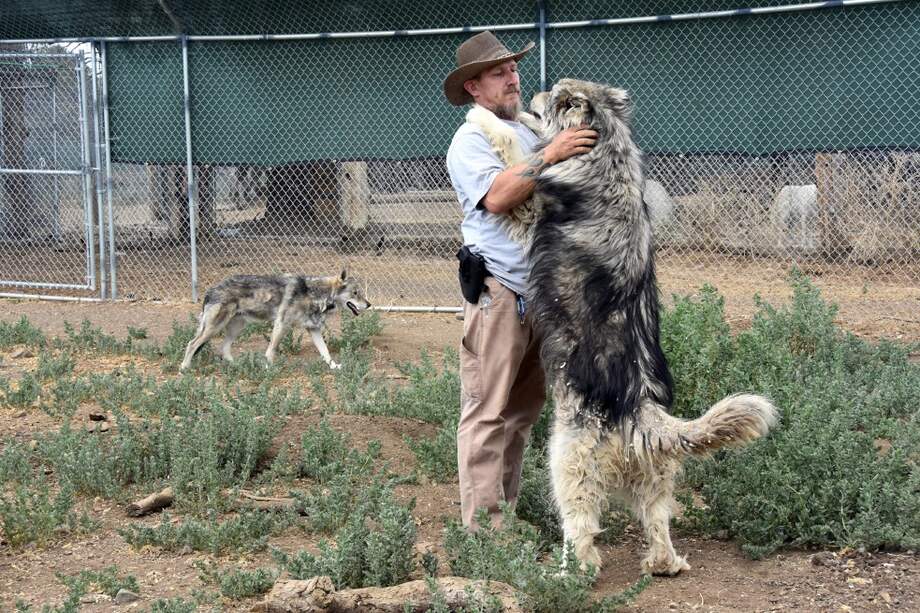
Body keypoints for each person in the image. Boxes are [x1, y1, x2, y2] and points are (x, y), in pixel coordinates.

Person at [443, 31, 597, 528]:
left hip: (542, 294)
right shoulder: (470, 140)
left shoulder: (527, 132)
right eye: (498, 73)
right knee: (487, 412)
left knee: (521, 413)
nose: (512, 79)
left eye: (512, 69)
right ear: (473, 87)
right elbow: (498, 196)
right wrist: (552, 155)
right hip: (499, 292)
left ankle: (501, 516)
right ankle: (484, 533)